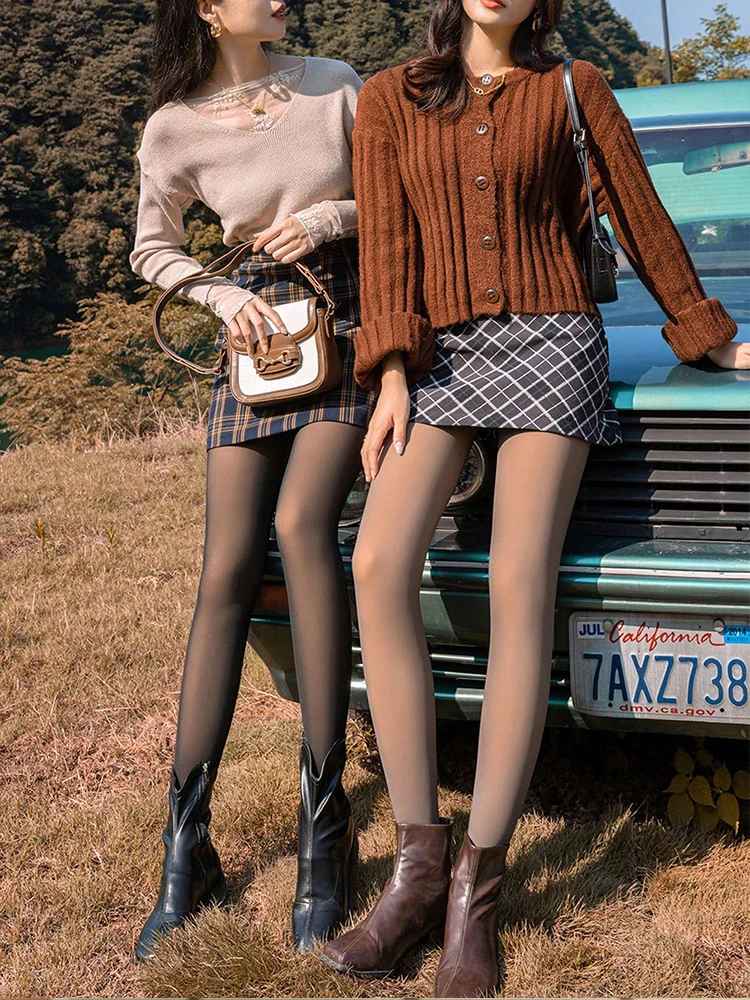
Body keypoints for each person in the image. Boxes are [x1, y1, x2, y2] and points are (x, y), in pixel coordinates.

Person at [320, 0, 748, 996]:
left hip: (555, 342)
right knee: (377, 562)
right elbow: (387, 247)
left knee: (520, 583)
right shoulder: (390, 99)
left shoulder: (573, 89)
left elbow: (641, 217)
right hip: (440, 358)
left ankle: (477, 890)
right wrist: (391, 371)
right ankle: (416, 868)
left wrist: (707, 336)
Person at [128, 0, 374, 963]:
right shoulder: (173, 125)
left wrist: (325, 218)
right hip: (256, 341)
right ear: (206, 8)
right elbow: (153, 246)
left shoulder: (335, 85)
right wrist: (220, 292)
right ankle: (186, 847)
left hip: (346, 315)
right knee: (225, 567)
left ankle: (326, 827)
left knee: (304, 525)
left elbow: (401, 198)